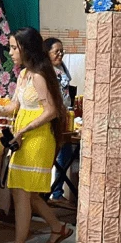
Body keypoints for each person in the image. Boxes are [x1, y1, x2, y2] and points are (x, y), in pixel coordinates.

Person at [0, 27, 72, 243]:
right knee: (26, 193)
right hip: (24, 138)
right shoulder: (23, 75)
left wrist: (23, 131)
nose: (10, 52)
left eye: (13, 47)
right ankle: (57, 227)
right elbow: (12, 108)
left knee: (21, 193)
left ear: (26, 49)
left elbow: (51, 111)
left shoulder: (40, 75)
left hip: (37, 140)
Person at [43, 38, 74, 207]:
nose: (60, 54)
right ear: (47, 53)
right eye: (57, 51)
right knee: (55, 155)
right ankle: (47, 193)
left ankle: (57, 192)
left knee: (66, 155)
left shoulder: (61, 68)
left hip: (65, 116)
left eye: (62, 51)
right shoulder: (46, 72)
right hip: (53, 118)